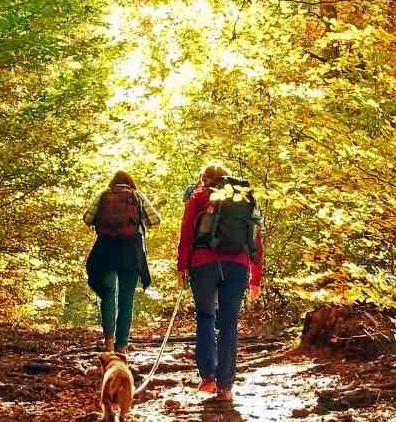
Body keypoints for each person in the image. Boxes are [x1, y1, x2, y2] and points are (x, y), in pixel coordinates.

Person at [177, 162, 264, 401]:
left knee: (206, 318)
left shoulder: (199, 197)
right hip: (237, 265)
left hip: (203, 264)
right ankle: (225, 386)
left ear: (204, 178)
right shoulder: (244, 199)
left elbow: (186, 233)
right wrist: (255, 277)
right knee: (229, 323)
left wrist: (182, 266)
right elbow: (256, 238)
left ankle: (208, 378)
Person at [85, 170, 159, 354]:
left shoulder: (103, 195)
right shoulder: (137, 196)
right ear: (130, 183)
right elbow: (155, 220)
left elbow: (87, 218)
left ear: (113, 182)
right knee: (127, 300)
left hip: (106, 250)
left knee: (108, 294)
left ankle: (108, 343)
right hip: (131, 251)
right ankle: (122, 346)